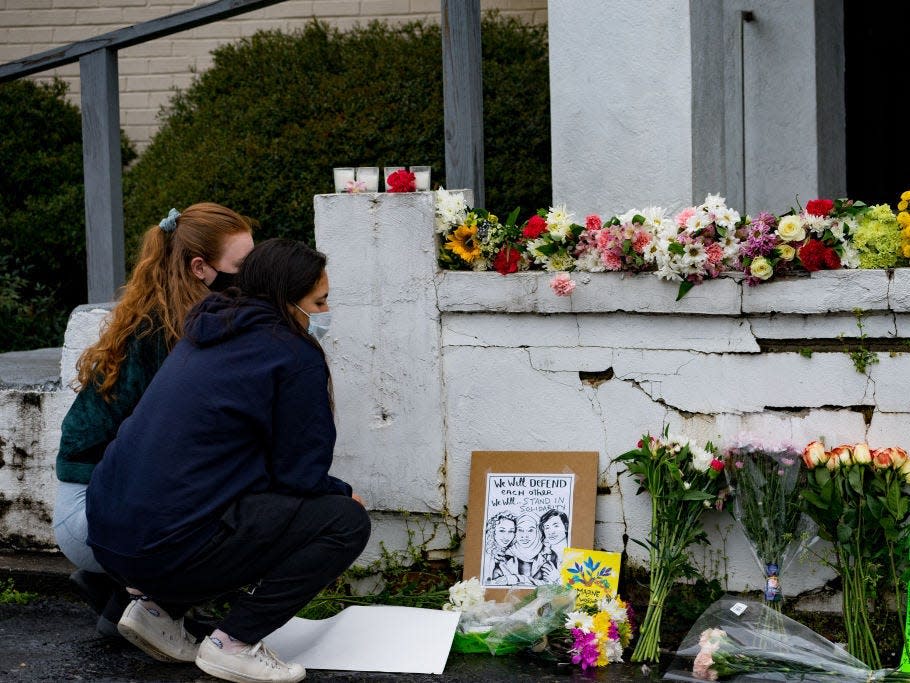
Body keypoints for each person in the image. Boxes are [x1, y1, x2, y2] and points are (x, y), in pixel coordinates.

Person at [86, 238, 371, 683]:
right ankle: (232, 644)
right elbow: (300, 474)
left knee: (228, 498)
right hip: (166, 546)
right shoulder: (294, 355)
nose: (324, 311)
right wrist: (343, 494)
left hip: (106, 535)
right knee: (344, 520)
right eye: (319, 301)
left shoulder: (205, 332)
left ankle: (155, 612)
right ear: (287, 300)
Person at [53, 203, 255, 635]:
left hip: (92, 511)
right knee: (235, 511)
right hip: (93, 516)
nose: (252, 274)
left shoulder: (169, 317)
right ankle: (145, 600)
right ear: (200, 268)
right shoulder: (167, 335)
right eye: (243, 265)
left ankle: (116, 593)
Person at [482, 512, 518, 586]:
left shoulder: (512, 554)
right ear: (493, 531)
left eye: (511, 531)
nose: (506, 536)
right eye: (502, 530)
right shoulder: (486, 554)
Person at [538, 509, 569, 582]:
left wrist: (558, 578)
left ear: (566, 527)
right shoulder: (548, 557)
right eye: (547, 527)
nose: (551, 531)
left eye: (556, 526)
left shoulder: (575, 554)